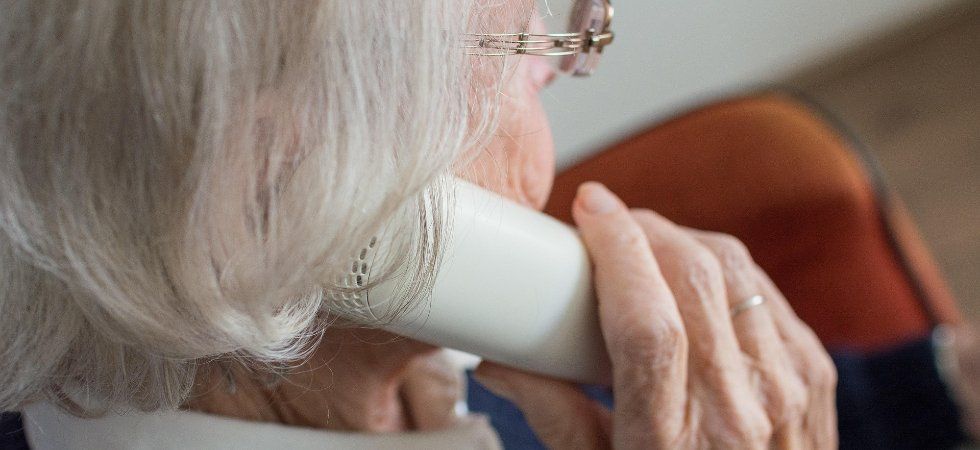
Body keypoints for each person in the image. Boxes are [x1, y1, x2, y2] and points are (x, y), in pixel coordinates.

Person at [2, 0, 963, 448]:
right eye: (521, 27)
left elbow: (680, 411)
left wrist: (944, 381)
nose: (562, 54)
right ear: (281, 195)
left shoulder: (411, 357)